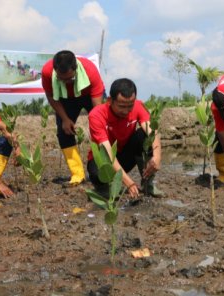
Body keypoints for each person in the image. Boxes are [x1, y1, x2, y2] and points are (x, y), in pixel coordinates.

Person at [87, 78, 163, 198]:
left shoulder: (138, 106)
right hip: (104, 160)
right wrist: (129, 183)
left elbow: (152, 132)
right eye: (122, 106)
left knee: (144, 136)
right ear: (110, 101)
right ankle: (103, 189)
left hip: (125, 156)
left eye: (130, 106)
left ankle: (148, 183)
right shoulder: (96, 115)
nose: (126, 111)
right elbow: (108, 154)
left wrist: (157, 156)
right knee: (97, 172)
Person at [41, 50, 105, 185]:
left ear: (75, 69)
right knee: (64, 132)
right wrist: (64, 119)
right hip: (65, 98)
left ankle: (101, 165)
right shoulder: (47, 72)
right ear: (55, 71)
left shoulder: (90, 72)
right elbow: (51, 96)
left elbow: (98, 110)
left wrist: (96, 126)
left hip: (88, 95)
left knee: (101, 128)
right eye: (61, 79)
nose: (66, 82)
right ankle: (77, 173)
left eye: (70, 78)